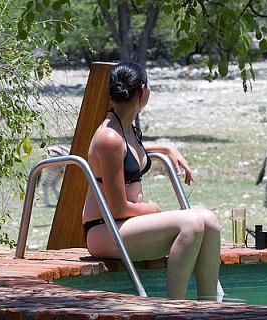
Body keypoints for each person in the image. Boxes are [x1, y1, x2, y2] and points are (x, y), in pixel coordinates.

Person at [82, 62, 221, 300]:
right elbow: (119, 207)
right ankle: (174, 308)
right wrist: (152, 209)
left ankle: (210, 305)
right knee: (191, 224)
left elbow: (131, 152)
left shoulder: (126, 129)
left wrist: (167, 147)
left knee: (209, 220)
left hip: (125, 227)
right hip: (105, 230)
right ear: (143, 91)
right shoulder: (109, 137)